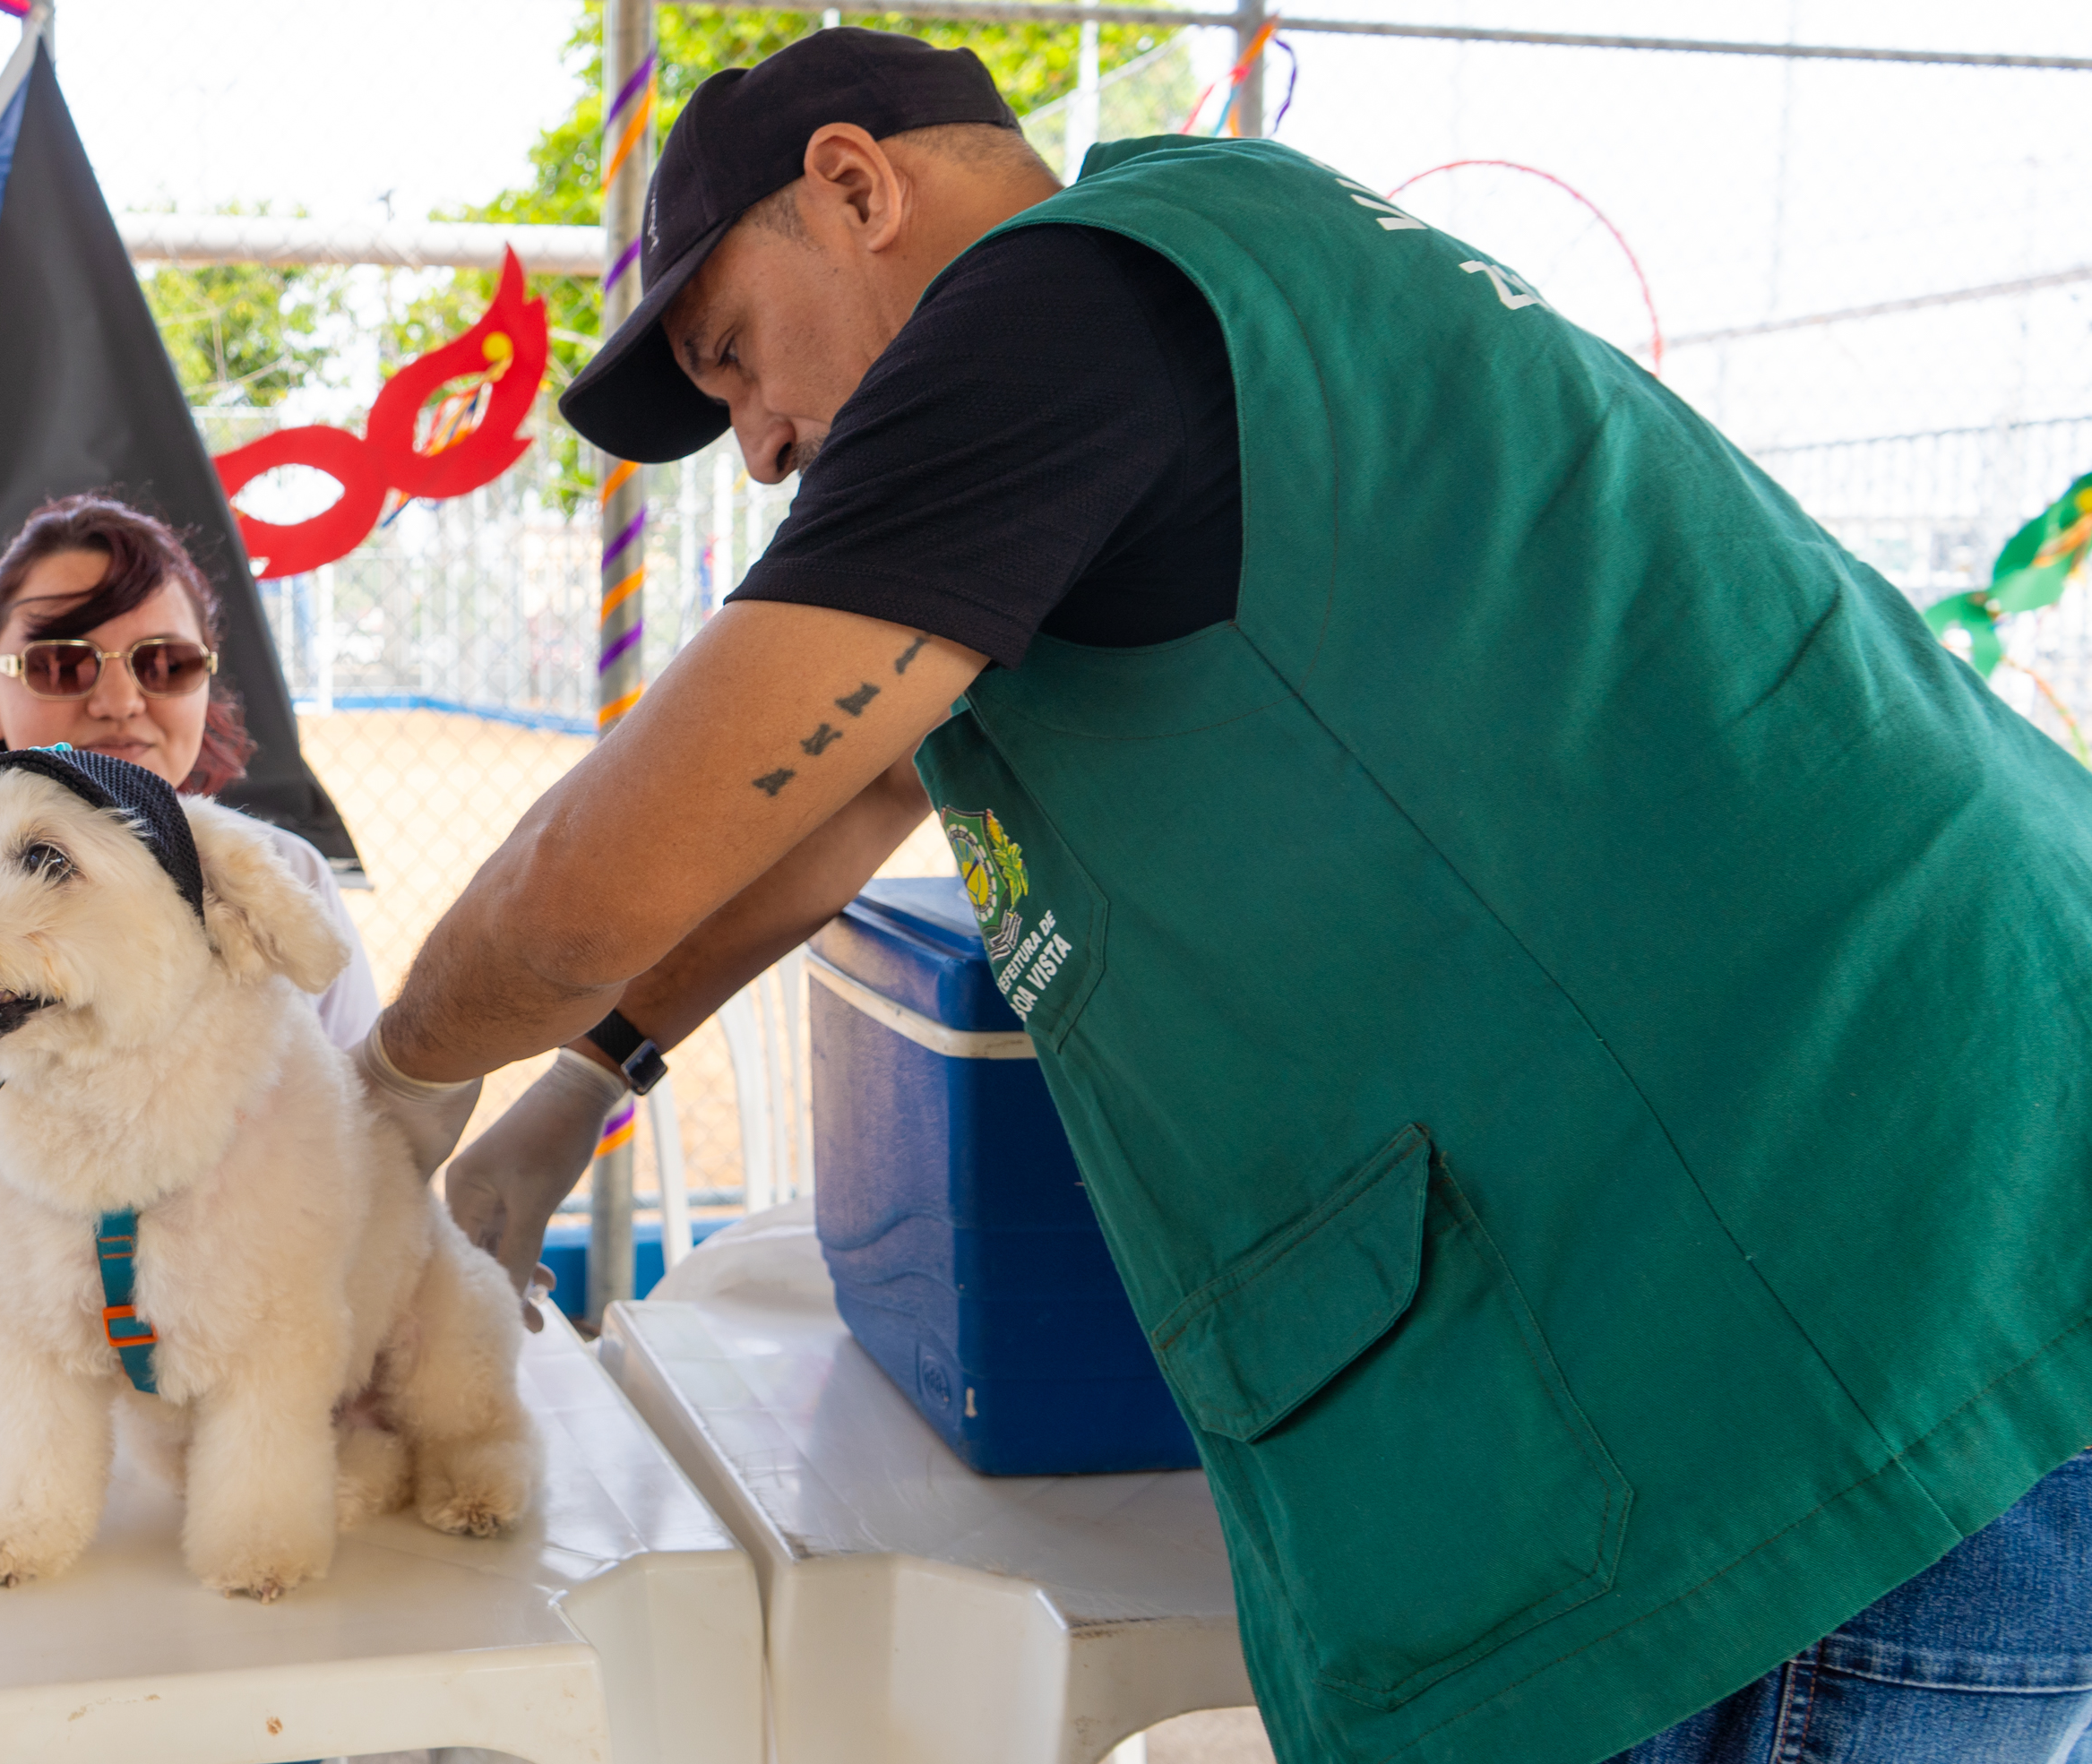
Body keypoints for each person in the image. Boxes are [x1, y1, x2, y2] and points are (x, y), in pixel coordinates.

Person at [357, 30, 2092, 1764]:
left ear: (857, 187)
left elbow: (585, 881)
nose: (754, 448)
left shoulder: (1044, 319)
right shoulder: (1203, 263)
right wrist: (587, 1082)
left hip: (1842, 1316)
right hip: (1946, 1193)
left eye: (735, 357)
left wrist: (388, 1091)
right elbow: (857, 781)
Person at [0, 493, 382, 1292]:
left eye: (165, 663)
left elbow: (361, 1117)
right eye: (61, 663)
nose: (119, 701)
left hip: (213, 1331)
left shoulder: (272, 873)